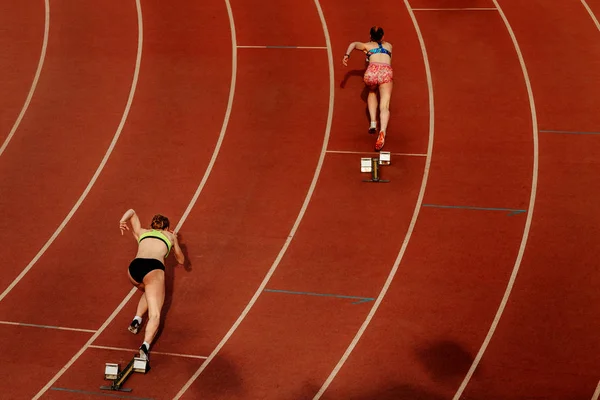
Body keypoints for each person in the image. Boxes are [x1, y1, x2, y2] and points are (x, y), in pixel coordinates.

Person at [119, 209, 185, 361]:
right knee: (155, 313)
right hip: (153, 269)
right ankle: (145, 346)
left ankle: (137, 319)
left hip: (133, 269)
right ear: (167, 228)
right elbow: (181, 260)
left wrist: (123, 220)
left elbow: (132, 212)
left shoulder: (142, 232)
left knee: (148, 291)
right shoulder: (170, 236)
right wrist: (175, 240)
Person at [343, 26, 393, 151]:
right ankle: (382, 131)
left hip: (372, 71)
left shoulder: (367, 46)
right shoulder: (389, 46)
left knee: (371, 91)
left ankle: (373, 122)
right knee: (385, 105)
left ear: (370, 36)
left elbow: (353, 44)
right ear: (383, 36)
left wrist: (347, 55)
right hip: (385, 71)